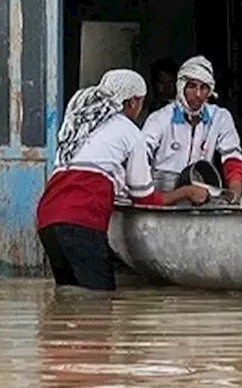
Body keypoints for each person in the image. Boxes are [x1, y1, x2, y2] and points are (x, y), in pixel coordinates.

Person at [35, 69, 210, 292]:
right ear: (133, 102)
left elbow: (97, 174)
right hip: (80, 219)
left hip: (47, 217)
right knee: (100, 300)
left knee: (69, 296)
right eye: (141, 103)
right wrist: (186, 192)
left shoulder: (79, 127)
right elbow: (146, 198)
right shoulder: (128, 131)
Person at [141, 55, 242, 201]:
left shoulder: (220, 117)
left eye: (203, 88)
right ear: (181, 87)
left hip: (200, 198)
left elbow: (232, 157)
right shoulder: (159, 119)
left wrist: (235, 195)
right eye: (192, 86)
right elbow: (141, 156)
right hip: (162, 199)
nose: (198, 94)